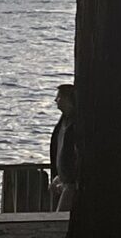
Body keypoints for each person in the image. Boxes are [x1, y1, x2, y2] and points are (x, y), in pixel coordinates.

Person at [49, 84, 77, 212]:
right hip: (64, 180)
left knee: (61, 217)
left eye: (59, 97)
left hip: (71, 183)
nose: (56, 100)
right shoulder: (64, 121)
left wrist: (69, 178)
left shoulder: (75, 124)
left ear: (67, 99)